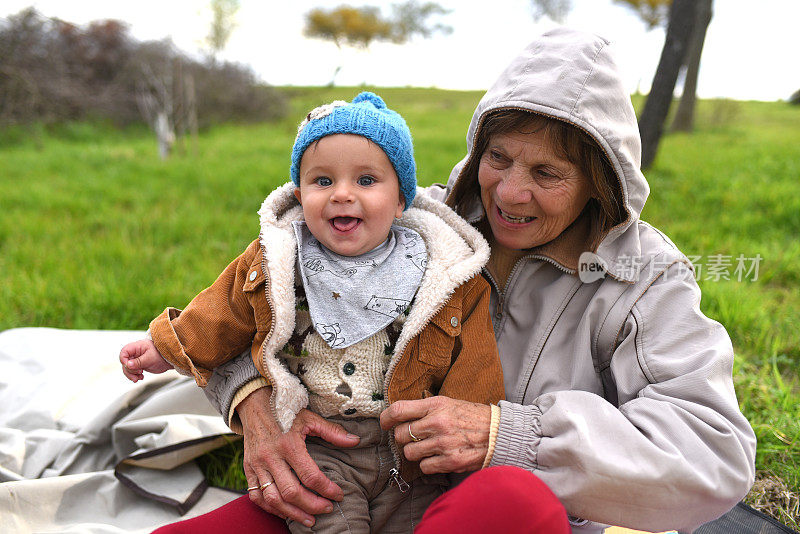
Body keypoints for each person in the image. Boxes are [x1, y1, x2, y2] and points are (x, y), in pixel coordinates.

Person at [159, 28, 757, 534]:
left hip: (487, 517)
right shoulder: (410, 226)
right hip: (344, 486)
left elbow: (713, 451)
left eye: (546, 172)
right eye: (498, 158)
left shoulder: (645, 278)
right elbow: (235, 312)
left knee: (511, 502)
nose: (510, 193)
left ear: (598, 182)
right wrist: (256, 408)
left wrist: (509, 436)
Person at [119, 92, 530, 533]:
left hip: (407, 457)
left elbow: (475, 365)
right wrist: (166, 345)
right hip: (320, 445)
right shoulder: (278, 259)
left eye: (367, 181)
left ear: (401, 200)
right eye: (322, 181)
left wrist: (473, 449)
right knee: (328, 522)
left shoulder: (443, 272)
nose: (342, 195)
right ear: (299, 193)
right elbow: (221, 313)